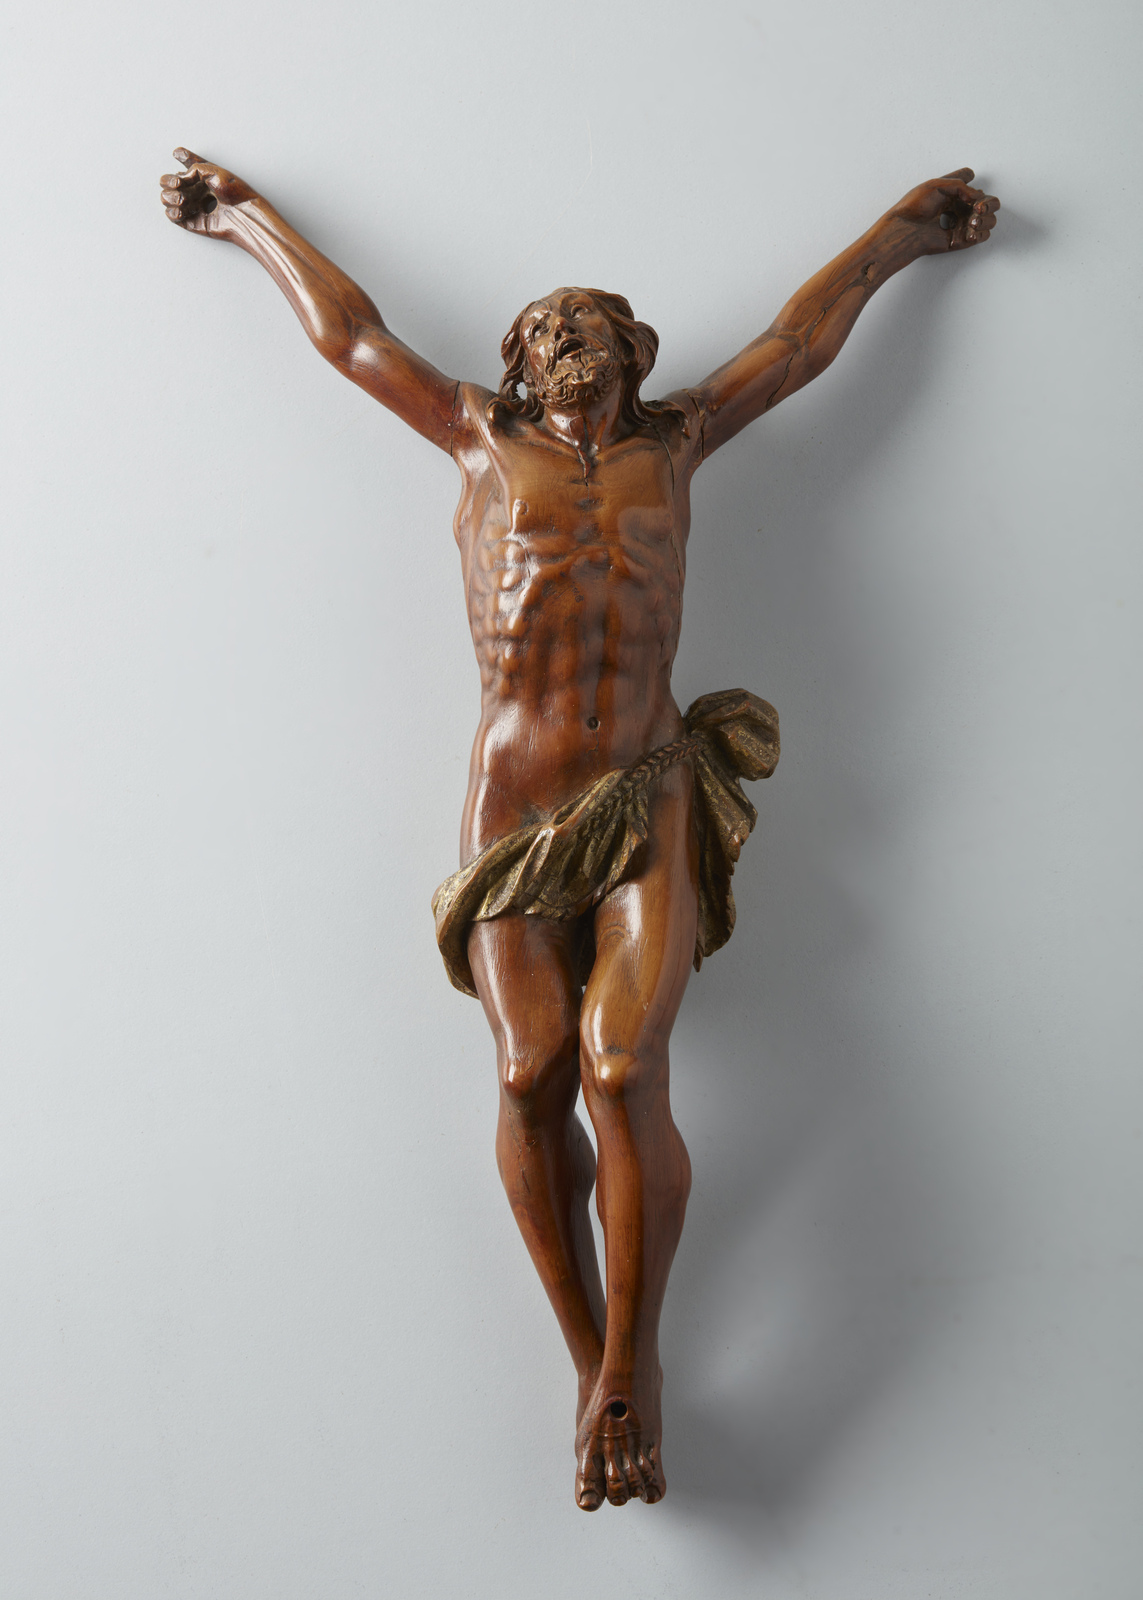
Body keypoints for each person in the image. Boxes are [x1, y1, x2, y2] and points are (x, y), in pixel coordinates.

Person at [160, 151, 999, 1508]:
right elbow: (352, 334)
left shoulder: (681, 438)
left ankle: (630, 1364)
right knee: (528, 1070)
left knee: (620, 1065)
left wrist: (900, 236)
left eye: (590, 322)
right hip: (514, 805)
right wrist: (249, 217)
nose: (566, 338)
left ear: (634, 352)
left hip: (645, 786)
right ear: (514, 365)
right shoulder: (477, 436)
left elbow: (800, 343)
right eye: (544, 328)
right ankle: (595, 1368)